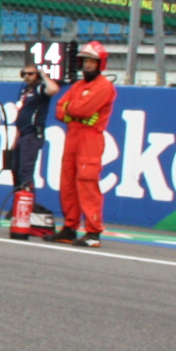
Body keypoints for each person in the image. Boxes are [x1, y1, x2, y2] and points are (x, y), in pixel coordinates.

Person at [52, 41, 115, 246]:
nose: (88, 65)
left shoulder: (104, 86)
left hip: (90, 138)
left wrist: (71, 110)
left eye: (92, 61)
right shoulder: (78, 86)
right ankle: (69, 228)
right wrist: (74, 111)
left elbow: (83, 110)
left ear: (100, 64)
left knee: (87, 183)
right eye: (86, 61)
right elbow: (59, 110)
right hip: (73, 136)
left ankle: (93, 233)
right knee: (68, 182)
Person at [10, 59, 59, 205]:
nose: (27, 76)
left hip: (32, 135)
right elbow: (20, 116)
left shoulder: (40, 88)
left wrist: (44, 76)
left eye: (31, 74)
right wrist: (15, 140)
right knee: (15, 168)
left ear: (37, 75)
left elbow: (54, 90)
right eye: (24, 74)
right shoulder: (24, 91)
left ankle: (27, 205)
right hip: (22, 135)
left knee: (25, 170)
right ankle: (18, 202)